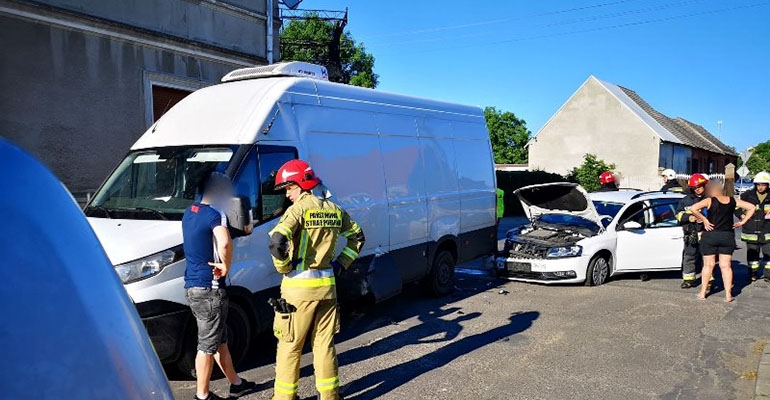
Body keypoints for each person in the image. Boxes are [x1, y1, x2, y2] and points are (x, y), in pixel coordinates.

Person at [268, 159, 365, 400]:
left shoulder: (298, 210)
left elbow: (276, 241)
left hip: (297, 292)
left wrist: (284, 267)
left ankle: (284, 398)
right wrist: (341, 263)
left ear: (301, 184)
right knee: (324, 345)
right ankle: (330, 396)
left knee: (290, 346)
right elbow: (358, 237)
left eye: (289, 188)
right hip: (327, 290)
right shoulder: (334, 209)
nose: (287, 194)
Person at [182, 172, 256, 400]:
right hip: (211, 288)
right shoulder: (216, 215)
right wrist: (226, 265)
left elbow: (206, 237)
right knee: (207, 345)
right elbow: (223, 242)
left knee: (219, 339)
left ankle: (236, 383)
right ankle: (202, 395)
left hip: (192, 286)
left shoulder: (189, 213)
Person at [688, 182, 755, 302]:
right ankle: (728, 295)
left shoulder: (709, 200)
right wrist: (742, 222)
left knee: (708, 265)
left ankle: (702, 293)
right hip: (727, 236)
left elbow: (693, 208)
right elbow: (752, 207)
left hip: (711, 235)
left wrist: (704, 220)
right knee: (726, 266)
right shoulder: (732, 200)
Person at [675, 173, 709, 289]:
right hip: (691, 233)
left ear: (704, 185)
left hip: (706, 233)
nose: (697, 189)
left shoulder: (710, 199)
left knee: (708, 259)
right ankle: (689, 280)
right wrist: (688, 218)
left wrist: (704, 220)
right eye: (694, 188)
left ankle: (709, 281)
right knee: (689, 256)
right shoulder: (686, 200)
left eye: (699, 187)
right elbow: (678, 215)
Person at [736, 171, 770, 282]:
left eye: (763, 185)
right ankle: (752, 274)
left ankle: (768, 275)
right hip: (750, 230)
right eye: (758, 184)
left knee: (768, 255)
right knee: (752, 256)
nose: (760, 187)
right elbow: (736, 207)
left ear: (768, 185)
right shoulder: (747, 195)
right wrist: (741, 215)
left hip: (767, 230)